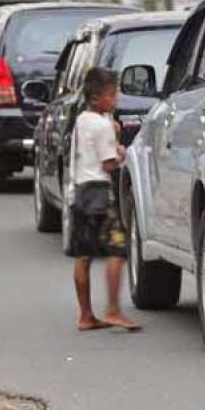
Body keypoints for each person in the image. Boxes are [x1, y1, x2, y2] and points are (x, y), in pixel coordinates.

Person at [70, 67, 140, 332]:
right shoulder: (103, 126)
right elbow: (109, 163)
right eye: (112, 95)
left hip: (80, 191)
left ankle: (85, 315)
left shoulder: (82, 120)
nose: (116, 99)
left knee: (83, 254)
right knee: (117, 249)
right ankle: (112, 309)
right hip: (99, 191)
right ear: (97, 98)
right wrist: (121, 149)